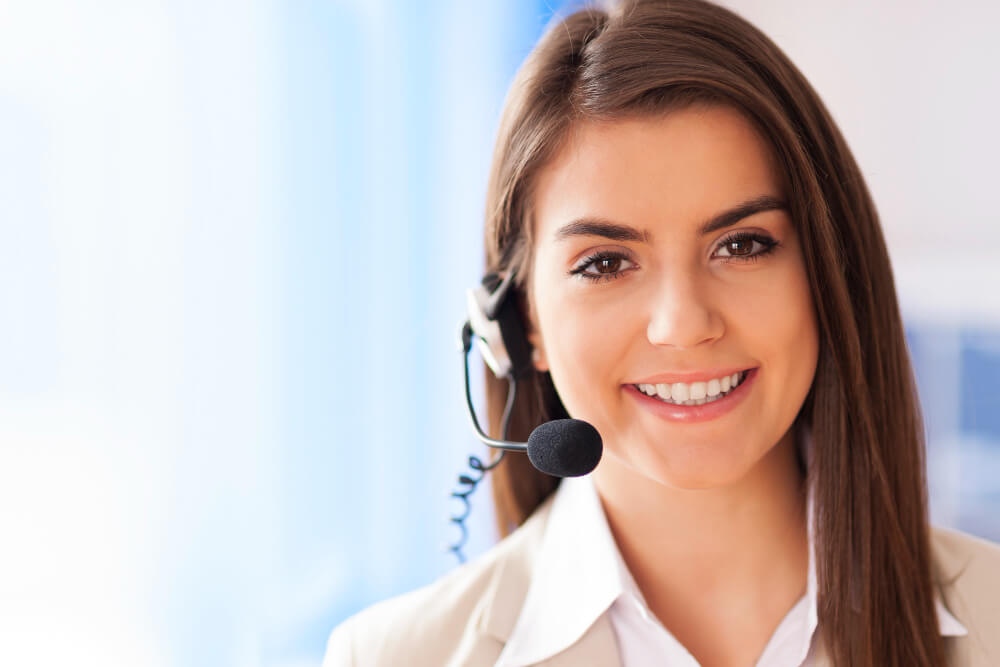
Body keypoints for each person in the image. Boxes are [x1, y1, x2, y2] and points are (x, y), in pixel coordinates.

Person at [323, 1, 1000, 665]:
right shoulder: (394, 656)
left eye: (741, 245)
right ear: (518, 321)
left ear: (828, 273)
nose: (683, 323)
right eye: (606, 262)